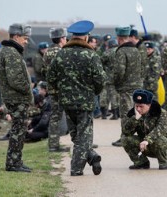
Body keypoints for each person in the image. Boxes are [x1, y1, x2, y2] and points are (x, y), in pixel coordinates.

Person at [47, 20, 106, 176]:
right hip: (85, 102)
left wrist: (58, 94)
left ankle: (92, 157)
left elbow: (50, 78)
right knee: (84, 137)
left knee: (76, 135)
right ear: (86, 37)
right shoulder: (91, 55)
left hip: (67, 102)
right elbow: (100, 80)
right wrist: (94, 92)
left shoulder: (61, 54)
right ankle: (76, 169)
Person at [0, 23, 33, 172]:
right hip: (17, 98)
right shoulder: (11, 53)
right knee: (18, 131)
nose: (26, 41)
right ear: (16, 37)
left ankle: (16, 161)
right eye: (25, 38)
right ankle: (13, 163)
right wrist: (28, 90)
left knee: (19, 130)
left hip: (14, 98)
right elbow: (15, 80)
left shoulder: (8, 51)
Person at [122, 89, 167, 170]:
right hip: (144, 146)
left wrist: (147, 140)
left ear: (149, 105)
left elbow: (160, 130)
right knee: (125, 139)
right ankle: (141, 162)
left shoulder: (160, 112)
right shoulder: (133, 114)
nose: (138, 109)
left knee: (159, 139)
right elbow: (126, 132)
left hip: (164, 145)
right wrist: (134, 120)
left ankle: (163, 162)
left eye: (141, 106)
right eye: (136, 106)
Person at [111, 26, 143, 147]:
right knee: (136, 113)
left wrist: (116, 83)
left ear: (119, 38)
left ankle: (125, 138)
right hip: (137, 86)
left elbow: (120, 71)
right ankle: (137, 136)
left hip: (125, 87)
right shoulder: (136, 50)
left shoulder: (121, 51)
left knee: (126, 114)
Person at [43, 27, 68, 152]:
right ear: (61, 39)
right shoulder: (63, 52)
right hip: (63, 89)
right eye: (65, 38)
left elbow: (44, 71)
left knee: (54, 117)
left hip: (52, 89)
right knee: (68, 116)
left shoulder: (47, 52)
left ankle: (53, 144)